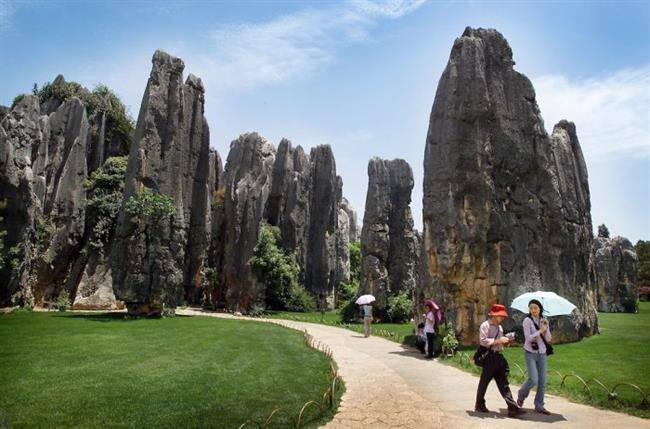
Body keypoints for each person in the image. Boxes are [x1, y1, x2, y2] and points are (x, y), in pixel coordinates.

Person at [475, 303, 525, 418]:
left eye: (503, 316)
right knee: (484, 382)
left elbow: (499, 344)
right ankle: (479, 404)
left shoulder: (500, 327)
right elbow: (483, 341)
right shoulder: (485, 325)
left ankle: (512, 408)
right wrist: (498, 340)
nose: (502, 318)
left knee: (503, 383)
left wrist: (507, 342)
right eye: (500, 316)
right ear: (493, 315)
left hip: (498, 356)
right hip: (488, 357)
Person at [517, 299, 552, 415]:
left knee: (542, 381)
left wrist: (545, 329)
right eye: (531, 308)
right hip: (530, 353)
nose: (533, 310)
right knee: (533, 379)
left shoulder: (544, 320)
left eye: (535, 308)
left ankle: (539, 405)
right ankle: (521, 395)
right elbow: (528, 338)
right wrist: (539, 331)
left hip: (542, 353)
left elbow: (549, 339)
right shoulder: (527, 321)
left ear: (540, 308)